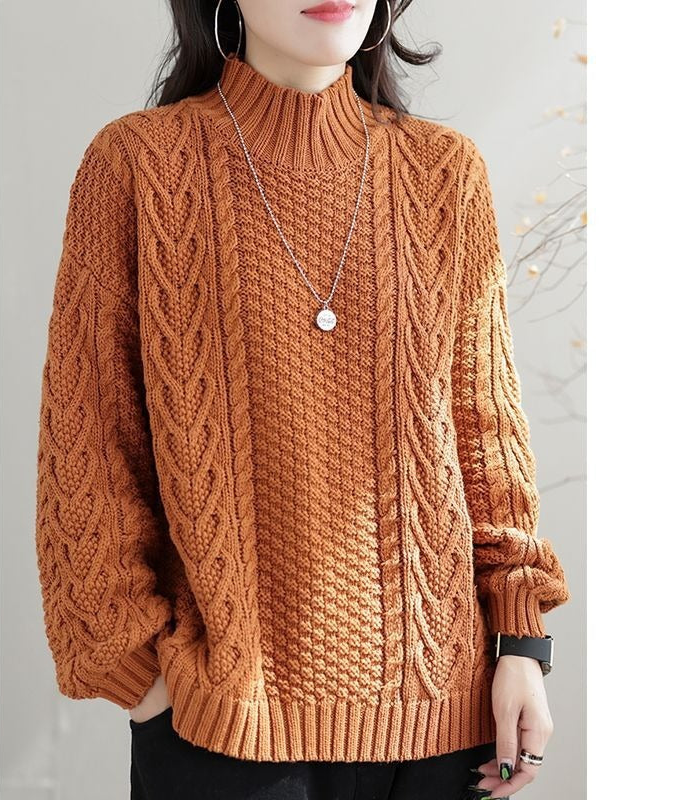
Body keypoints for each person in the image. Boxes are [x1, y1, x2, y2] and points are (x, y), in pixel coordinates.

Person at [34, 1, 572, 798]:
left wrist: (521, 647)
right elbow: (87, 446)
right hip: (220, 733)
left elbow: (485, 438)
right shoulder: (138, 166)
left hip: (443, 732)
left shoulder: (445, 172)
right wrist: (144, 682)